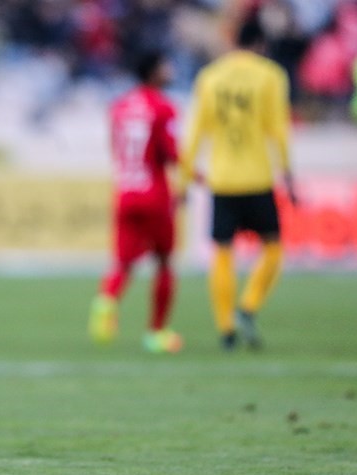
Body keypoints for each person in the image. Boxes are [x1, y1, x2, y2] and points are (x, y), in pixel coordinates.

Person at [179, 20, 296, 351]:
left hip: (223, 179)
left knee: (222, 252)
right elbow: (279, 130)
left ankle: (226, 328)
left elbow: (195, 133)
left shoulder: (210, 77)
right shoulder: (271, 75)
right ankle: (249, 305)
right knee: (273, 247)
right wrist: (288, 173)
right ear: (259, 44)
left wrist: (184, 180)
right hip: (258, 177)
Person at [89, 50, 183, 354]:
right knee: (165, 262)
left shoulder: (119, 106)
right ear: (153, 71)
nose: (170, 70)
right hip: (154, 194)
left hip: (125, 190)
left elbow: (114, 147)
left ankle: (106, 300)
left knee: (124, 263)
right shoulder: (164, 107)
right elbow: (171, 153)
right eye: (166, 65)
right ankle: (156, 333)